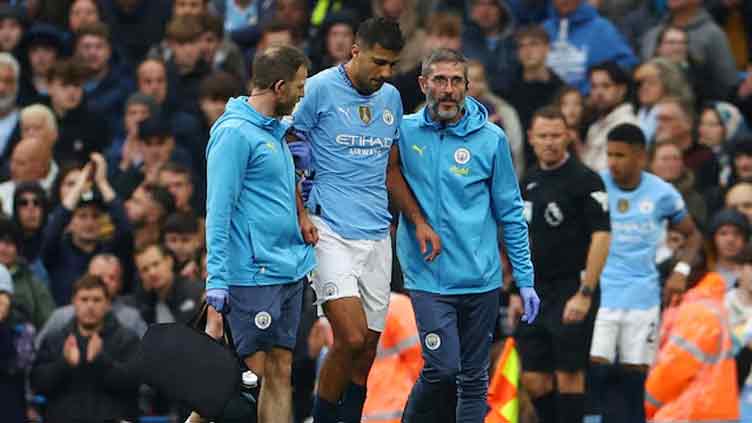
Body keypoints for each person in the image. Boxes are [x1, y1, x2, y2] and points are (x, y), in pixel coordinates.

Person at [394, 48, 538, 423]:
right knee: (442, 368)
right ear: (424, 84)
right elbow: (386, 177)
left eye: (456, 81)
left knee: (474, 378)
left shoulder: (491, 139)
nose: (448, 89)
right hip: (429, 277)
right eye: (439, 80)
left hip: (481, 278)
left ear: (467, 87)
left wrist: (524, 279)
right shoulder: (405, 132)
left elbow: (510, 211)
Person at [290, 17, 414, 423]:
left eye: (392, 65)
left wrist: (417, 220)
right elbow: (284, 152)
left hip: (378, 234)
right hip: (329, 231)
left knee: (365, 357)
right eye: (379, 62)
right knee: (350, 337)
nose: (385, 73)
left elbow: (391, 168)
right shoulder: (318, 90)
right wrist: (300, 212)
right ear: (354, 51)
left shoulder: (392, 98)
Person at [204, 44, 316, 423]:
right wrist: (217, 278)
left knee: (281, 372)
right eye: (299, 87)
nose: (303, 95)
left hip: (288, 269)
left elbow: (278, 192)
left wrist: (301, 215)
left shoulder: (275, 132)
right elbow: (218, 210)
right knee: (242, 379)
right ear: (280, 87)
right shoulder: (234, 135)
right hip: (253, 273)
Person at [587, 123, 702, 423]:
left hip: (643, 297)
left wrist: (681, 270)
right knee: (595, 369)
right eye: (609, 154)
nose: (612, 162)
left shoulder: (662, 193)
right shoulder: (595, 187)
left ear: (640, 157)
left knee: (634, 376)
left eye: (620, 155)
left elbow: (693, 236)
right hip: (601, 294)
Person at [516, 106, 611, 423]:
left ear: (568, 136)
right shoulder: (528, 180)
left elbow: (602, 236)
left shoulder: (586, 180)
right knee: (533, 378)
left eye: (557, 135)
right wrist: (516, 287)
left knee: (569, 374)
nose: (550, 142)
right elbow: (517, 235)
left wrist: (585, 292)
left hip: (572, 287)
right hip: (535, 290)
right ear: (531, 138)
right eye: (543, 136)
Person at [30, 274, 141, 423]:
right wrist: (63, 363)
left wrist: (101, 361)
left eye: (96, 300)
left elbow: (134, 382)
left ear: (108, 303)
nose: (90, 306)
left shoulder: (127, 339)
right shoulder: (54, 340)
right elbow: (37, 384)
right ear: (73, 302)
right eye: (84, 299)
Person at [644, 253, 739, 421]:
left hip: (690, 412)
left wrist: (647, 404)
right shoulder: (712, 306)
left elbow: (674, 370)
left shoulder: (695, 314)